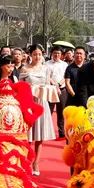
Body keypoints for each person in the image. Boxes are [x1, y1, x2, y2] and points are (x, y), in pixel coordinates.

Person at [19, 44, 56, 175]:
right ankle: (27, 161)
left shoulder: (46, 69)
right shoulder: (25, 69)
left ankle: (36, 163)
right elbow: (20, 86)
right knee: (28, 136)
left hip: (41, 102)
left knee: (40, 135)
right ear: (30, 55)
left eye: (39, 54)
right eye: (35, 54)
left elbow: (47, 84)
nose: (37, 57)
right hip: (29, 103)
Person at [47, 47, 69, 138]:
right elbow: (47, 76)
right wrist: (54, 85)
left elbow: (66, 76)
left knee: (61, 111)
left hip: (62, 89)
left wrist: (59, 84)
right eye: (55, 53)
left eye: (59, 53)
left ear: (61, 55)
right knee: (49, 111)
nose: (56, 55)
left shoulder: (65, 65)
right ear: (52, 53)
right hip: (51, 89)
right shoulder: (46, 64)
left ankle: (61, 131)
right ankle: (47, 132)